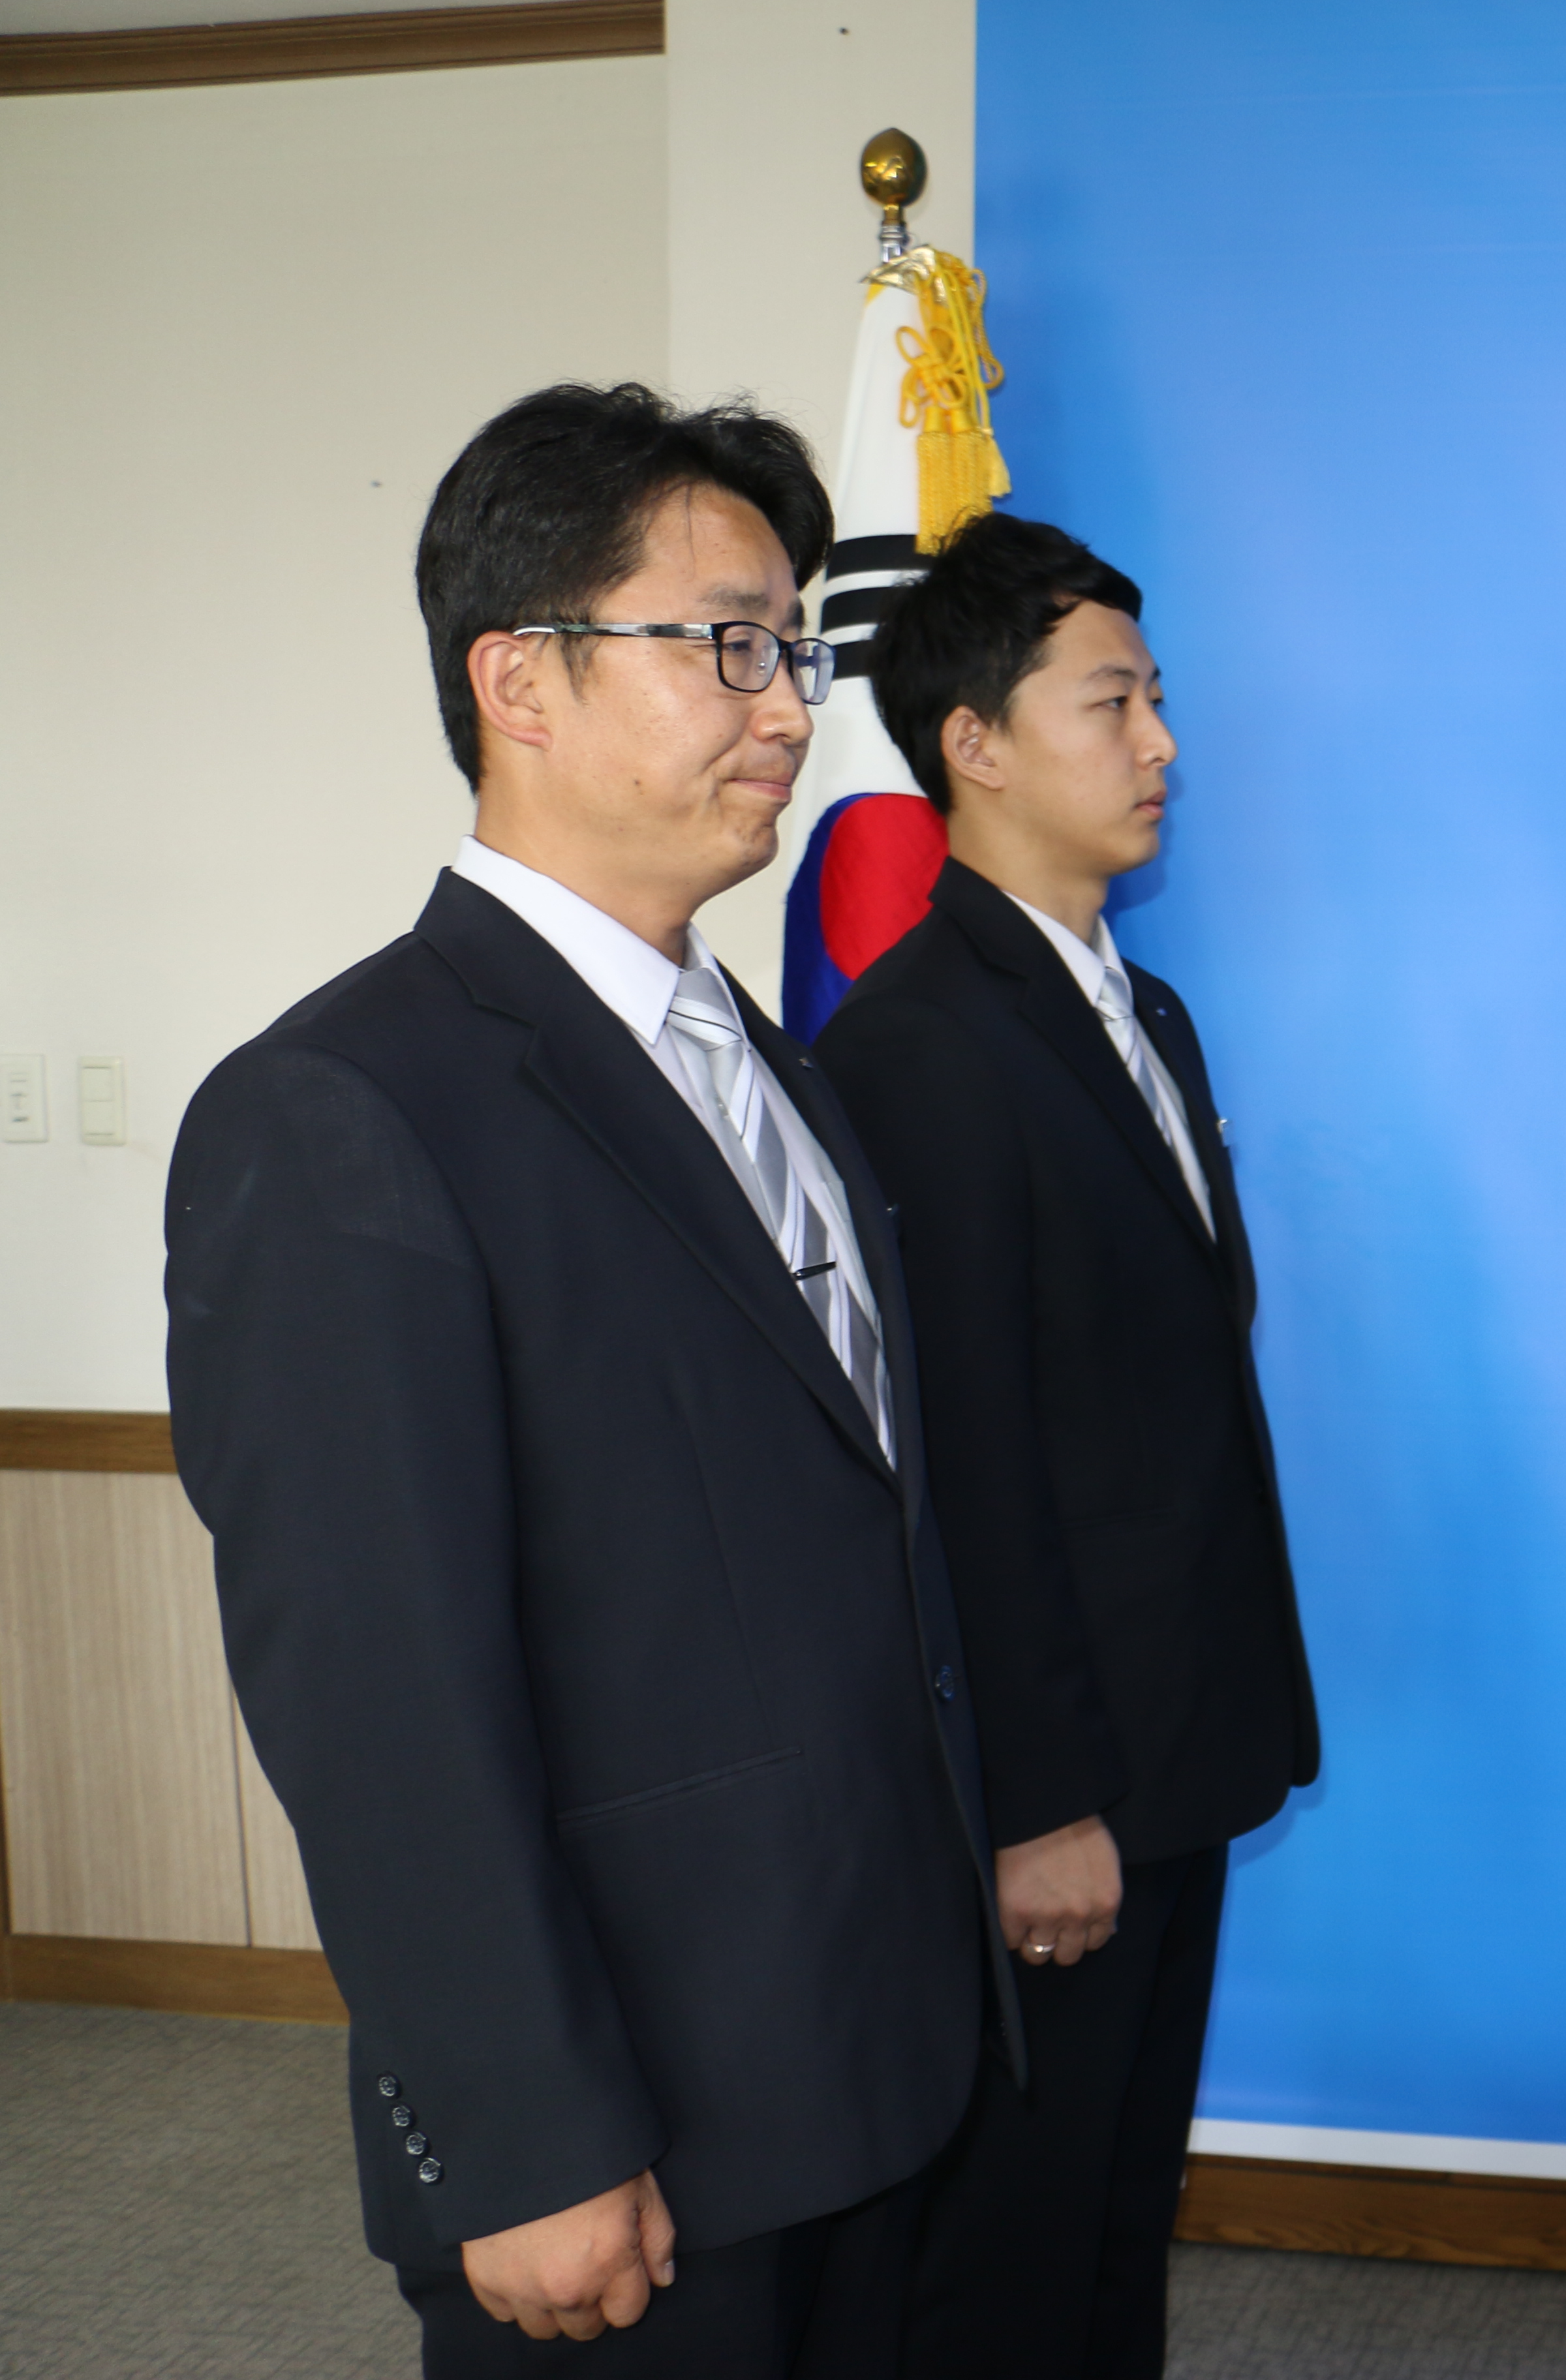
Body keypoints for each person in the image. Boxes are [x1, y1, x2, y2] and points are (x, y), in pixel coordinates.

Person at [165, 384, 1011, 2375]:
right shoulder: (343, 1107)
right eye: (727, 643)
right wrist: (525, 2136)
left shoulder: (772, 1067)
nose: (789, 707)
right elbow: (376, 1697)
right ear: (519, 679)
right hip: (635, 2119)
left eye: (793, 648)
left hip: (878, 2047)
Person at [809, 512, 1319, 2377]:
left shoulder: (1139, 1010)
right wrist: (1035, 1806)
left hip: (1174, 1738)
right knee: (1014, 2261)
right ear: (976, 743)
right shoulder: (920, 1047)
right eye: (1113, 703)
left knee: (1116, 2219)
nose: (1161, 741)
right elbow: (963, 1461)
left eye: (1156, 698)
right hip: (1065, 1786)